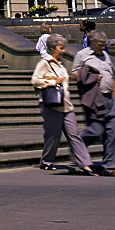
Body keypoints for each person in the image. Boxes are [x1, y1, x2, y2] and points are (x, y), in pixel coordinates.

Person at [31, 34, 94, 174]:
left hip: (66, 104)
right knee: (53, 136)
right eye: (61, 48)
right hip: (52, 105)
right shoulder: (45, 62)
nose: (64, 51)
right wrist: (53, 82)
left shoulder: (62, 63)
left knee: (74, 135)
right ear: (52, 48)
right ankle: (47, 161)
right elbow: (35, 80)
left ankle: (85, 164)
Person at [72, 31, 115, 176]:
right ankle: (77, 150)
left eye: (104, 45)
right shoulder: (82, 55)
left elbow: (111, 75)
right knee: (96, 131)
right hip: (93, 98)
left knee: (112, 134)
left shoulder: (105, 55)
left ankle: (110, 168)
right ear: (91, 41)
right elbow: (74, 75)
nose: (102, 47)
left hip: (109, 98)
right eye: (100, 45)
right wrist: (92, 76)